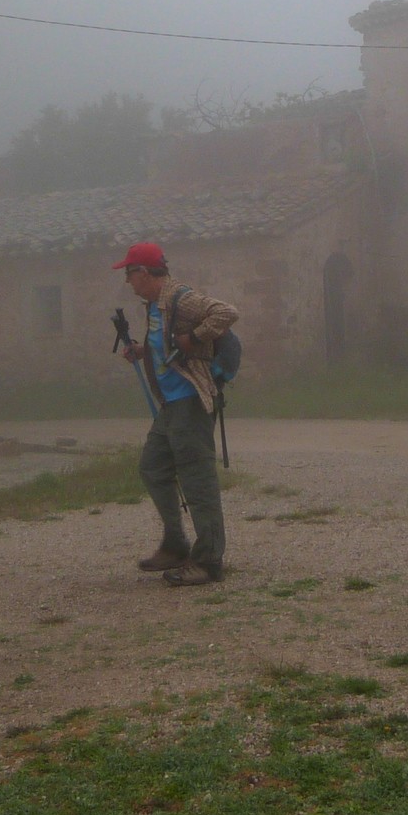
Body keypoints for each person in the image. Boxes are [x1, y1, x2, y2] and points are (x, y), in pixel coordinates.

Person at [112, 241, 239, 587]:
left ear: (144, 272)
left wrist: (195, 337)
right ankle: (175, 545)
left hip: (190, 401)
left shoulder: (180, 298)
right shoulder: (155, 306)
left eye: (129, 273)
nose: (127, 281)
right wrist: (143, 351)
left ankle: (208, 561)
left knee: (197, 481)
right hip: (170, 405)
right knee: (153, 467)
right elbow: (165, 344)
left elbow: (226, 313)